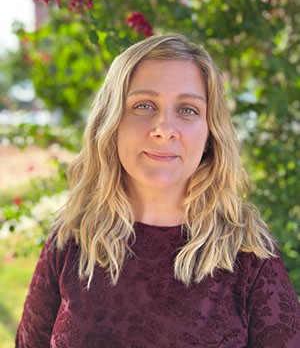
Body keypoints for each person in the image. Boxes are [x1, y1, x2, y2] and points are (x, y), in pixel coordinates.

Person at [16, 34, 300, 347]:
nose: (164, 128)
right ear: (111, 122)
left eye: (188, 110)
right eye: (144, 105)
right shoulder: (72, 236)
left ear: (210, 133)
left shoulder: (249, 254)